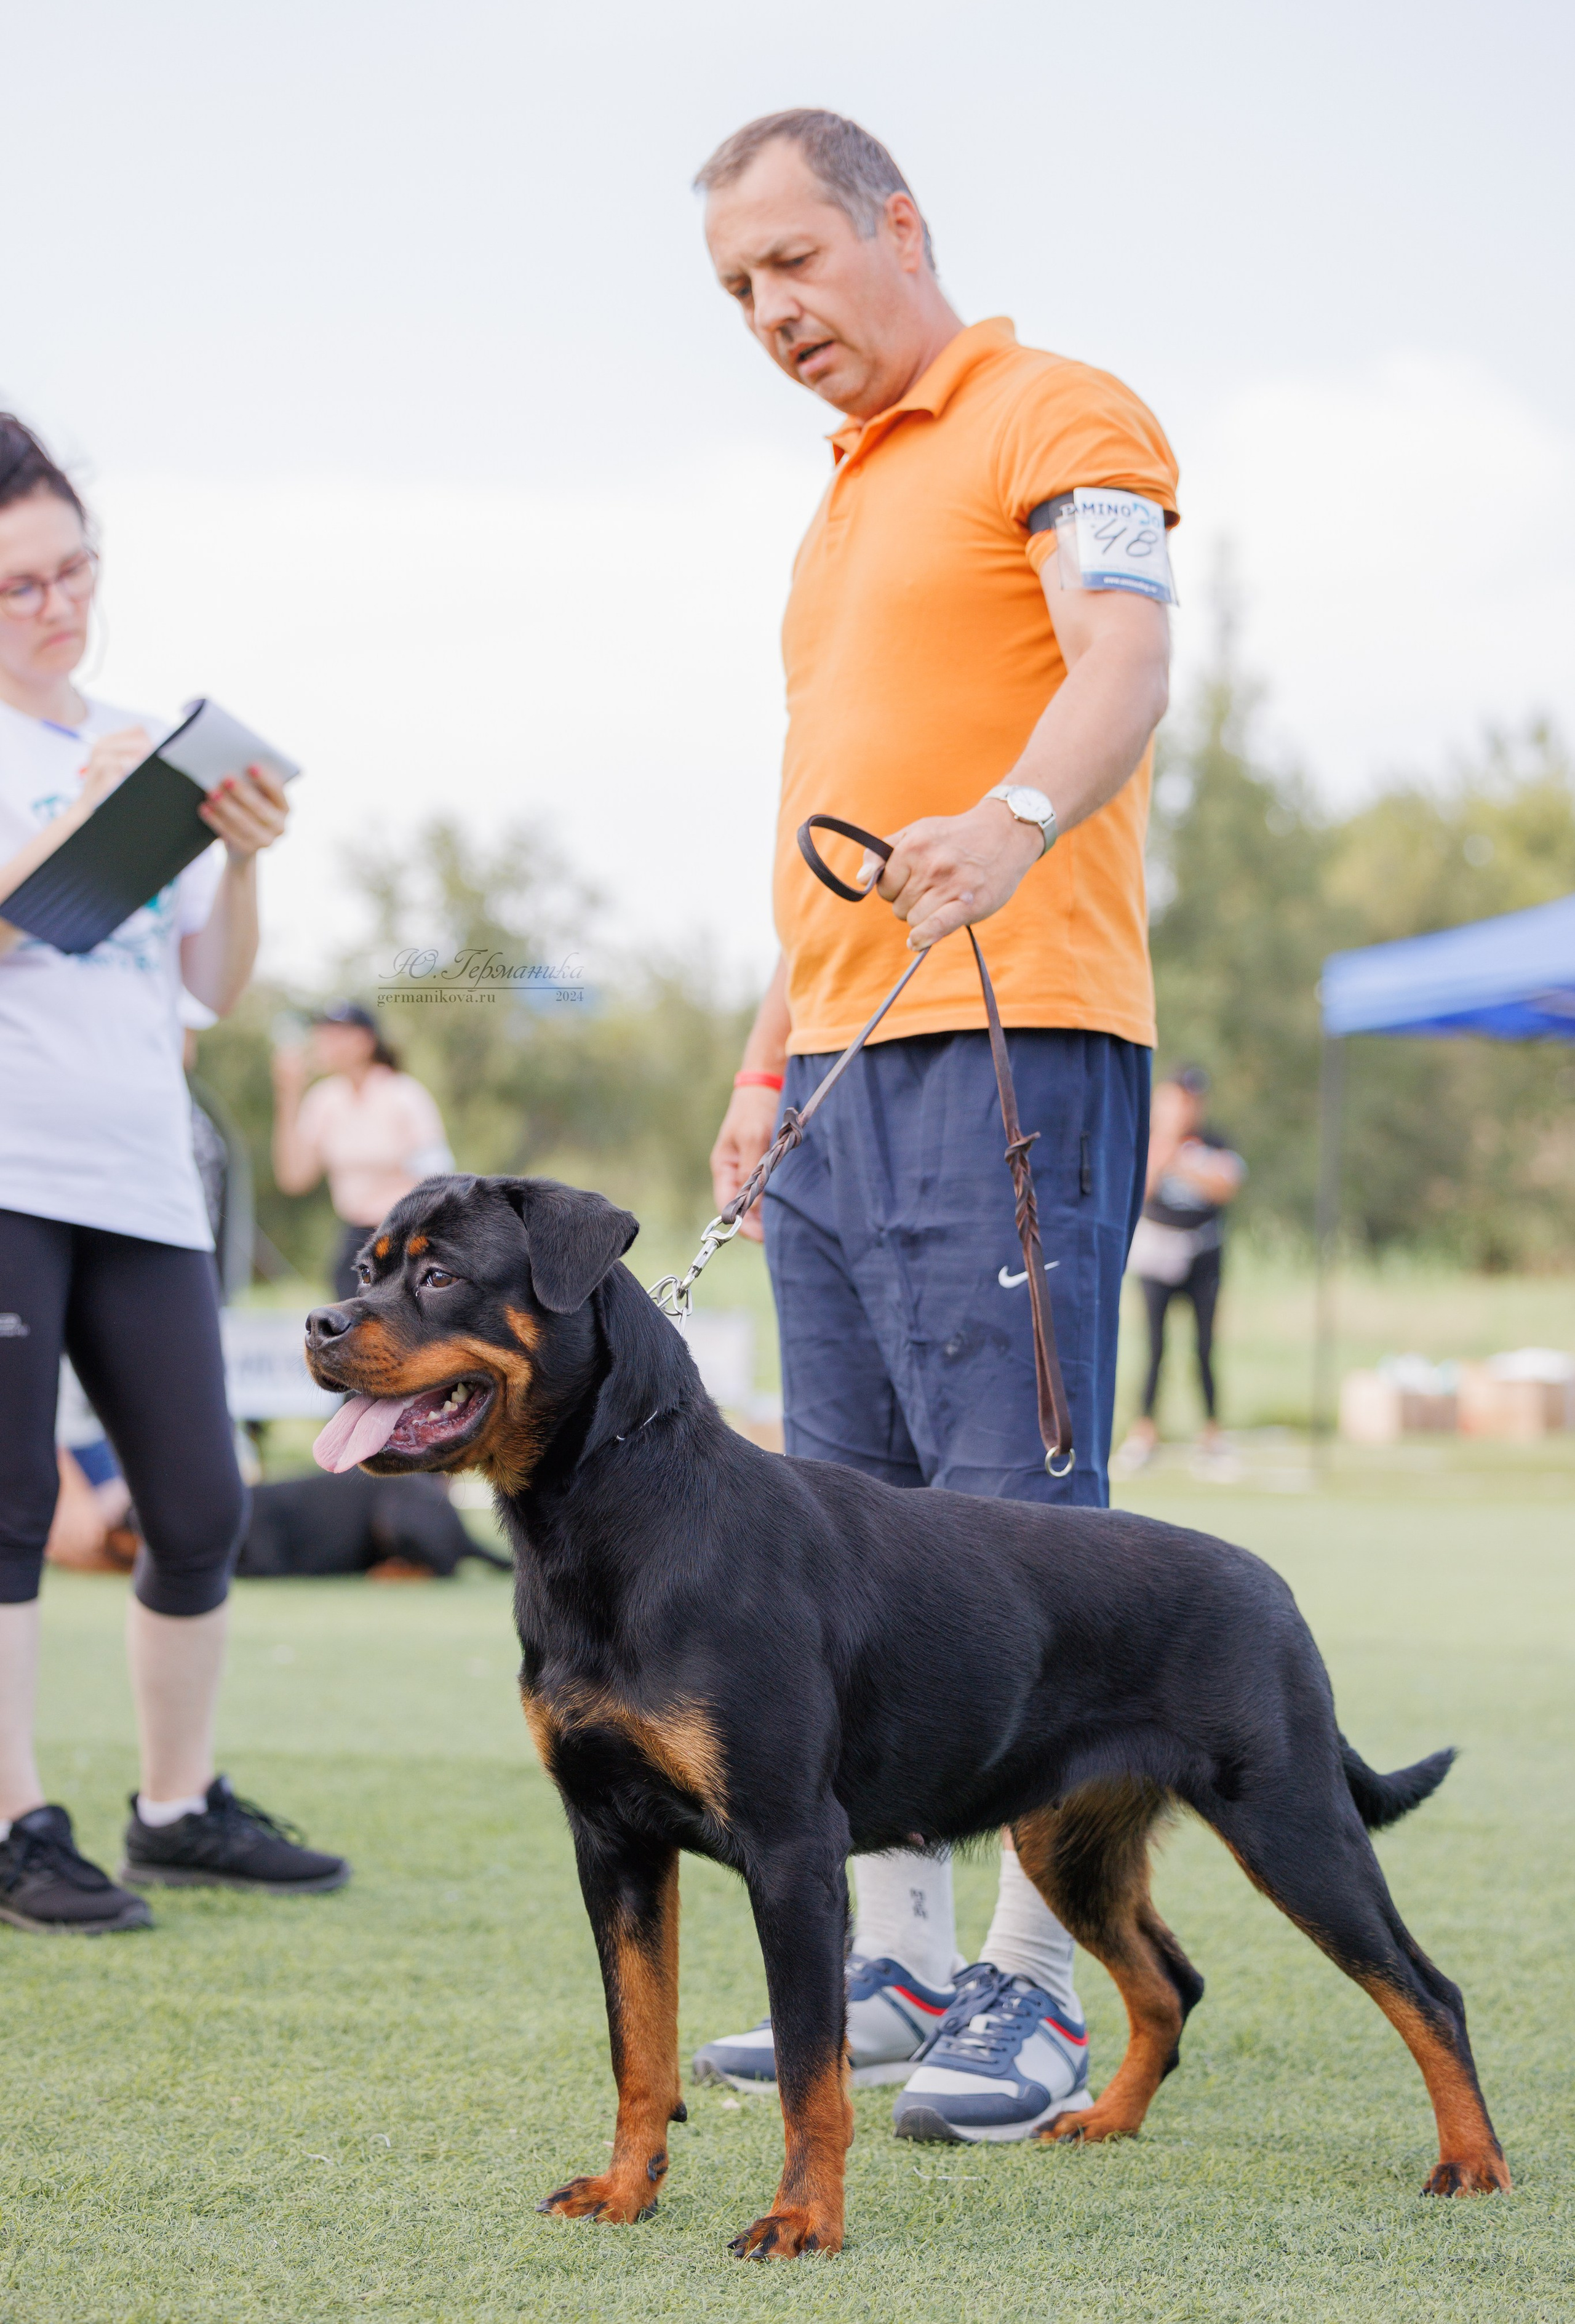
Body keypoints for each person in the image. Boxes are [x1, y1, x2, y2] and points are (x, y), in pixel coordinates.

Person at [692, 113, 1177, 2142]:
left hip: (1015, 1028)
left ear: (898, 222)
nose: (770, 308)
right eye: (738, 286)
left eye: (793, 257)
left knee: (1016, 1531)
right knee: (846, 1531)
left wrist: (1019, 815)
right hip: (840, 1070)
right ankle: (888, 1964)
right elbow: (828, 827)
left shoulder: (1056, 409)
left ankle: (1042, 1988)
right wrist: (763, 1066)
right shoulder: (836, 505)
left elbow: (1128, 652)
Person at [0, 415, 348, 1933]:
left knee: (200, 1502)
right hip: (9, 1168)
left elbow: (209, 982)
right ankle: (13, 1824)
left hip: (141, 1174)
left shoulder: (140, 732)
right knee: (11, 1501)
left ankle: (176, 1806)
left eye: (75, 569)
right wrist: (95, 812)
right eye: (21, 584)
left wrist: (245, 852)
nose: (59, 604)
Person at [271, 1001, 452, 1300]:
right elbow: (294, 1178)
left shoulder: (404, 1095)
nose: (322, 1043)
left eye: (335, 1035)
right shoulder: (324, 1099)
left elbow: (438, 1173)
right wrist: (289, 1094)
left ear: (365, 1042)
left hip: (405, 1233)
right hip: (356, 1236)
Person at [1117, 1066, 1245, 1470]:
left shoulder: (1214, 1141)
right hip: (1157, 1254)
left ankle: (1212, 1434)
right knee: (1154, 1347)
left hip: (1203, 1254)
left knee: (1204, 1347)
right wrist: (1166, 1149)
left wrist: (1185, 1164)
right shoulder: (1147, 1139)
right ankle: (1144, 1433)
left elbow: (1225, 1187)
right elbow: (1138, 1189)